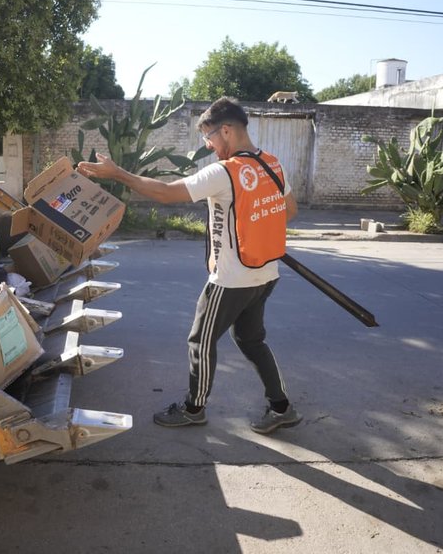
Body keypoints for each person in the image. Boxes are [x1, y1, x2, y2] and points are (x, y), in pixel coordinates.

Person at [77, 96, 301, 434]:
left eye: (209, 138)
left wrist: (116, 173)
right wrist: (254, 223)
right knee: (252, 341)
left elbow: (167, 193)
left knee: (200, 340)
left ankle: (194, 408)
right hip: (265, 273)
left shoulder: (224, 172)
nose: (209, 146)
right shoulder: (272, 163)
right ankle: (282, 407)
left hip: (231, 279)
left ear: (226, 130)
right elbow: (290, 211)